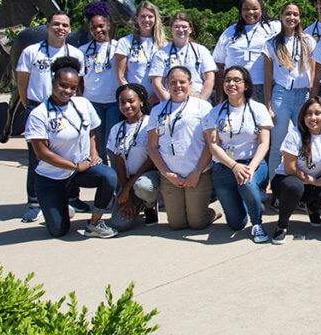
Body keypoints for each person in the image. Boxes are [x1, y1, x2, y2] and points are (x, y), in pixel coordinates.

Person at [24, 57, 117, 238]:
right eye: (63, 86)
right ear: (53, 82)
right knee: (59, 230)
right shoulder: (39, 115)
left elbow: (91, 129)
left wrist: (94, 153)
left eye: (73, 88)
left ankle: (95, 223)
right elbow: (42, 153)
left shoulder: (82, 104)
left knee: (108, 176)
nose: (68, 91)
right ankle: (60, 206)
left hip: (80, 170)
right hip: (52, 177)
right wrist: (74, 166)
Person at [16, 11, 86, 223]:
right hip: (39, 108)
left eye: (65, 25)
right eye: (56, 24)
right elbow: (22, 82)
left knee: (72, 154)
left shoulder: (76, 54)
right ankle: (34, 202)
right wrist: (28, 106)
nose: (60, 28)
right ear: (47, 26)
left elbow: (79, 86)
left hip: (67, 108)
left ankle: (72, 197)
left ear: (69, 29)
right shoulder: (31, 52)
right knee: (37, 157)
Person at [204, 66, 274, 242]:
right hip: (224, 167)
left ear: (246, 85)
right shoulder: (215, 112)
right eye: (227, 80)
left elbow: (264, 143)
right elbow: (213, 145)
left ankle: (257, 224)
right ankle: (247, 202)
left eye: (237, 80)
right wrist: (234, 166)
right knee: (236, 223)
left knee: (246, 183)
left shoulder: (258, 109)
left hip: (252, 163)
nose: (231, 84)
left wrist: (250, 168)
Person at [146, 66, 219, 230]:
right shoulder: (158, 111)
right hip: (171, 175)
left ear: (190, 83)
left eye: (182, 82)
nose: (177, 86)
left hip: (198, 174)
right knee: (176, 224)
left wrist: (197, 172)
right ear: (166, 84)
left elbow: (211, 143)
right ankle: (189, 207)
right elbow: (151, 146)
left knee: (197, 223)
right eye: (173, 82)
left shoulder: (202, 107)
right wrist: (167, 174)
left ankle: (215, 209)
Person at [269, 97, 321, 244]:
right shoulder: (295, 134)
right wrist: (314, 181)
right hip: (286, 181)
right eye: (308, 114)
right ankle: (281, 225)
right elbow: (290, 168)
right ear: (303, 116)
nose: (313, 118)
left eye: (317, 113)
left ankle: (313, 210)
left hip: (311, 183)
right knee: (295, 186)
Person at [262, 2, 315, 183]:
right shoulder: (271, 44)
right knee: (277, 144)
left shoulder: (308, 41)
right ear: (281, 16)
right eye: (288, 14)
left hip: (303, 95)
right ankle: (274, 186)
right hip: (281, 95)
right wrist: (268, 105)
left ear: (300, 18)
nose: (291, 18)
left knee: (306, 141)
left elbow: (314, 73)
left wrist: (314, 99)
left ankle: (306, 183)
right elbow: (268, 78)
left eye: (295, 14)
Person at [106, 83, 161, 231]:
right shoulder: (116, 129)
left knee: (142, 186)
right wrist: (126, 194)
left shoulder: (151, 123)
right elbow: (118, 164)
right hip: (128, 180)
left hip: (149, 176)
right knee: (119, 224)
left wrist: (128, 188)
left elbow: (151, 160)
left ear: (141, 101)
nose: (127, 106)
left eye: (131, 101)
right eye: (122, 102)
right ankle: (137, 201)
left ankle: (150, 205)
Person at [212, 0, 281, 104]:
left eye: (254, 9)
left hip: (265, 87)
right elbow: (219, 64)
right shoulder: (230, 32)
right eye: (246, 9)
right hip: (236, 88)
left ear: (261, 9)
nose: (250, 12)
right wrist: (219, 96)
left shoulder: (274, 27)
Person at [78, 1, 122, 165]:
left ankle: (117, 185)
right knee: (97, 146)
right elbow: (80, 80)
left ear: (108, 24)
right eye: (93, 27)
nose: (98, 30)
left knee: (112, 145)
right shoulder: (83, 51)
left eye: (101, 26)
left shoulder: (119, 48)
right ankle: (105, 183)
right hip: (92, 103)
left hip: (112, 103)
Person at [150, 13, 217, 101]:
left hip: (198, 102)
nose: (180, 30)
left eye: (184, 27)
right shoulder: (161, 54)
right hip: (172, 104)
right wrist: (170, 103)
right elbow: (157, 83)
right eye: (176, 27)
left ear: (190, 29)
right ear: (170, 29)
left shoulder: (202, 51)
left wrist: (200, 103)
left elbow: (209, 80)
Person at [115, 1, 169, 104]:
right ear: (136, 18)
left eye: (150, 16)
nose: (146, 20)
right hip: (134, 102)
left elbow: (168, 75)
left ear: (155, 19)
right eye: (143, 16)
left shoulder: (164, 45)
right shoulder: (125, 42)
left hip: (158, 100)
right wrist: (133, 97)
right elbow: (120, 76)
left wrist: (158, 96)